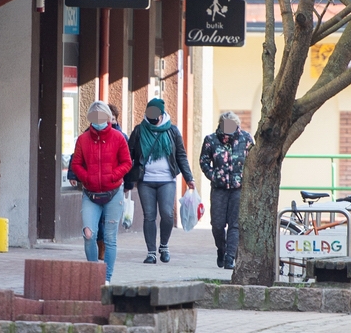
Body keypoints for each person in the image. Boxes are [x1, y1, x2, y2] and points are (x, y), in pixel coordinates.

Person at [127, 98, 195, 264]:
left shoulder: (172, 131)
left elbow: (181, 156)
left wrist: (189, 178)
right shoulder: (139, 130)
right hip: (146, 180)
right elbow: (129, 155)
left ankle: (164, 246)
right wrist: (127, 179)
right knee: (149, 215)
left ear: (161, 113)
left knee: (167, 214)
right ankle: (151, 252)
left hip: (167, 180)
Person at [70, 101, 132, 284]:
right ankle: (92, 275)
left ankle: (106, 279)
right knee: (89, 234)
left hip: (113, 193)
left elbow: (127, 162)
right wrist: (86, 177)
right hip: (90, 194)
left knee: (110, 237)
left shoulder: (118, 138)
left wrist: (113, 176)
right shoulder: (83, 139)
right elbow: (76, 164)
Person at [200, 111, 254, 269]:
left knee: (234, 224)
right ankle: (221, 249)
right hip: (219, 189)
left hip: (239, 188)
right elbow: (204, 161)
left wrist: (247, 178)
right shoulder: (211, 140)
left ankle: (230, 257)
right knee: (217, 225)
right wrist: (214, 176)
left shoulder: (246, 139)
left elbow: (254, 161)